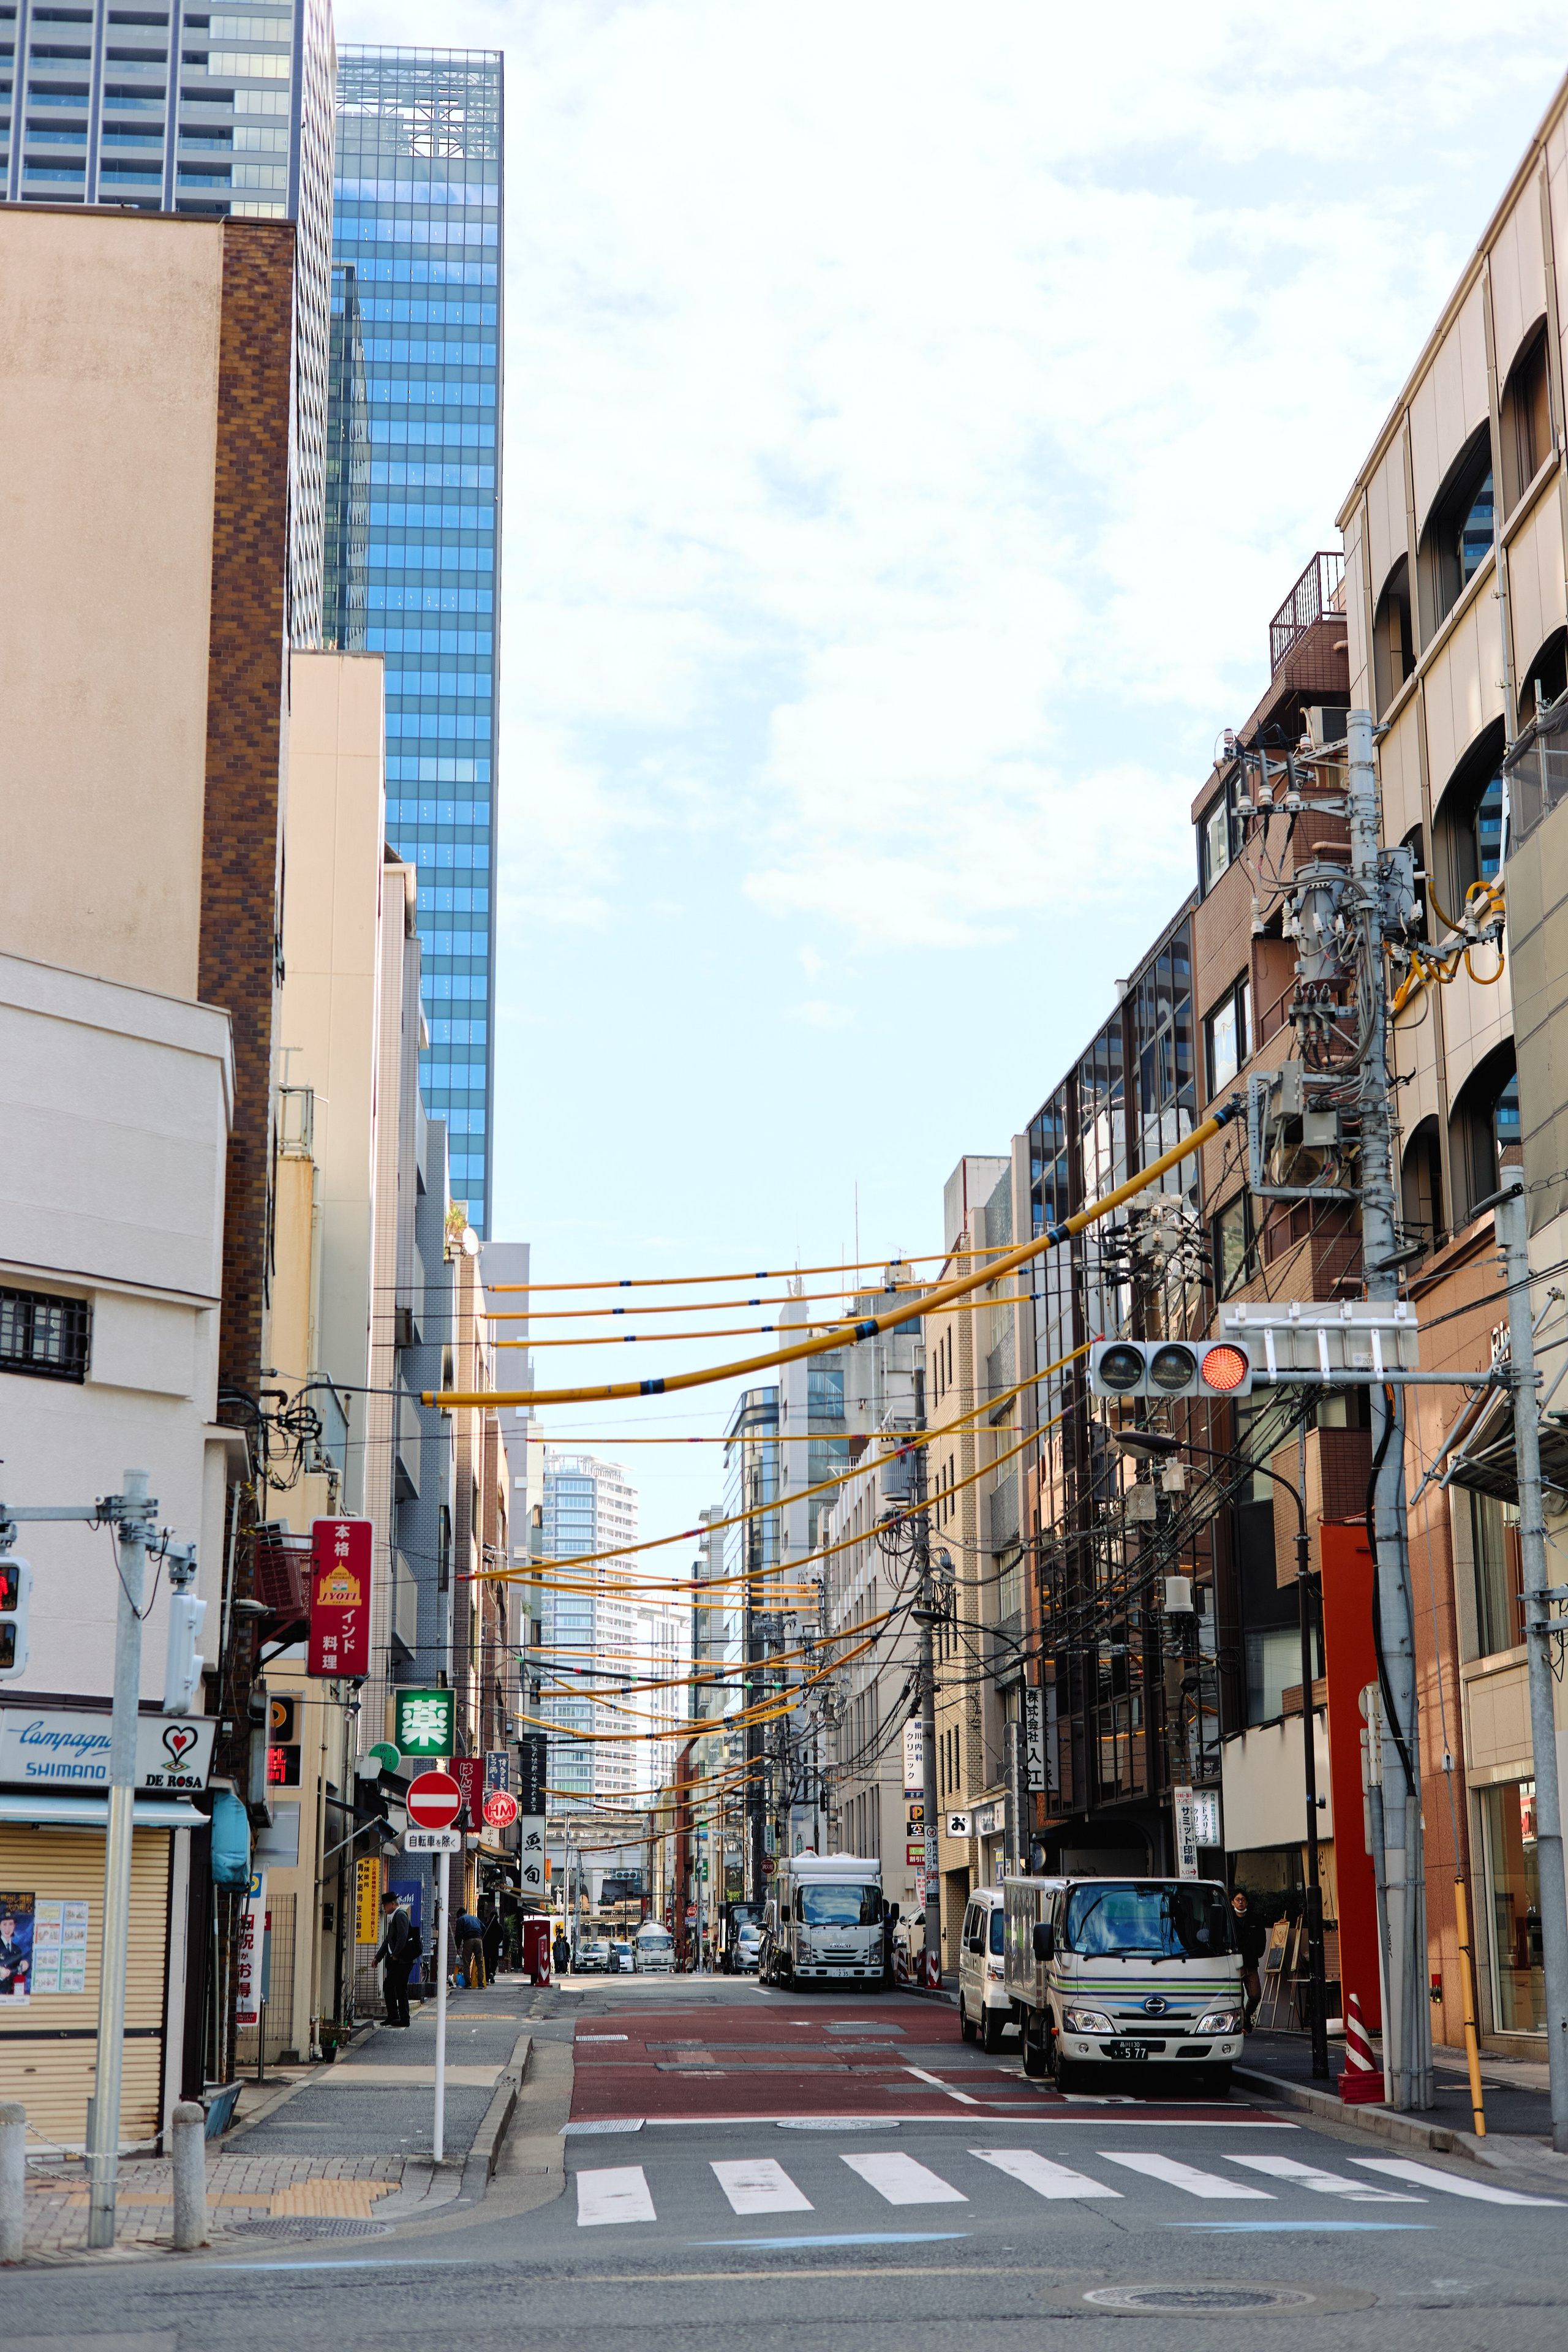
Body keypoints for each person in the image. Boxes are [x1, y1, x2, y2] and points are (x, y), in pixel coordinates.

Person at [372, 1893, 414, 2027]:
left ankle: (395, 2016)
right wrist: (378, 1957)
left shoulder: (400, 1915)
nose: (384, 1908)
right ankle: (401, 2018)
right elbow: (388, 1940)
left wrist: (395, 1955)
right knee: (400, 1988)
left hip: (402, 1960)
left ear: (392, 1904)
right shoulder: (396, 1916)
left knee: (389, 1985)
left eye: (385, 1905)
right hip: (402, 1960)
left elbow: (403, 1937)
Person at [1231, 1889, 1266, 2028]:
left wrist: (1257, 1953)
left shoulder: (1254, 1919)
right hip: (1235, 1964)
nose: (1241, 1902)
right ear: (1232, 1902)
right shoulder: (1229, 1919)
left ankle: (1246, 2016)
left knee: (1256, 1995)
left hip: (1251, 1963)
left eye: (1243, 1899)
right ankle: (1242, 2023)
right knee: (1237, 1996)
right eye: (1238, 1899)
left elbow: (1262, 1938)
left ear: (1247, 1902)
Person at [457, 1906, 486, 1989]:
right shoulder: (475, 1918)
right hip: (479, 1939)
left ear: (459, 1915)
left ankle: (468, 1984)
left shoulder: (461, 1919)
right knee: (479, 1963)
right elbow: (484, 1928)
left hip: (469, 1940)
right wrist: (481, 1937)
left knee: (466, 1963)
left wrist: (458, 1946)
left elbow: (458, 1934)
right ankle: (481, 1984)